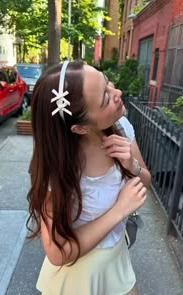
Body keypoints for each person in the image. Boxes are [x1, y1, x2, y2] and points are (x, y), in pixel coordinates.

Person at [27, 60, 151, 295]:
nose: (118, 93)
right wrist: (119, 210)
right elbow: (57, 253)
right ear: (80, 128)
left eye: (107, 83)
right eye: (105, 98)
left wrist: (131, 165)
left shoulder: (120, 127)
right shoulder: (58, 170)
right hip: (78, 277)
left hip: (118, 260)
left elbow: (145, 182)